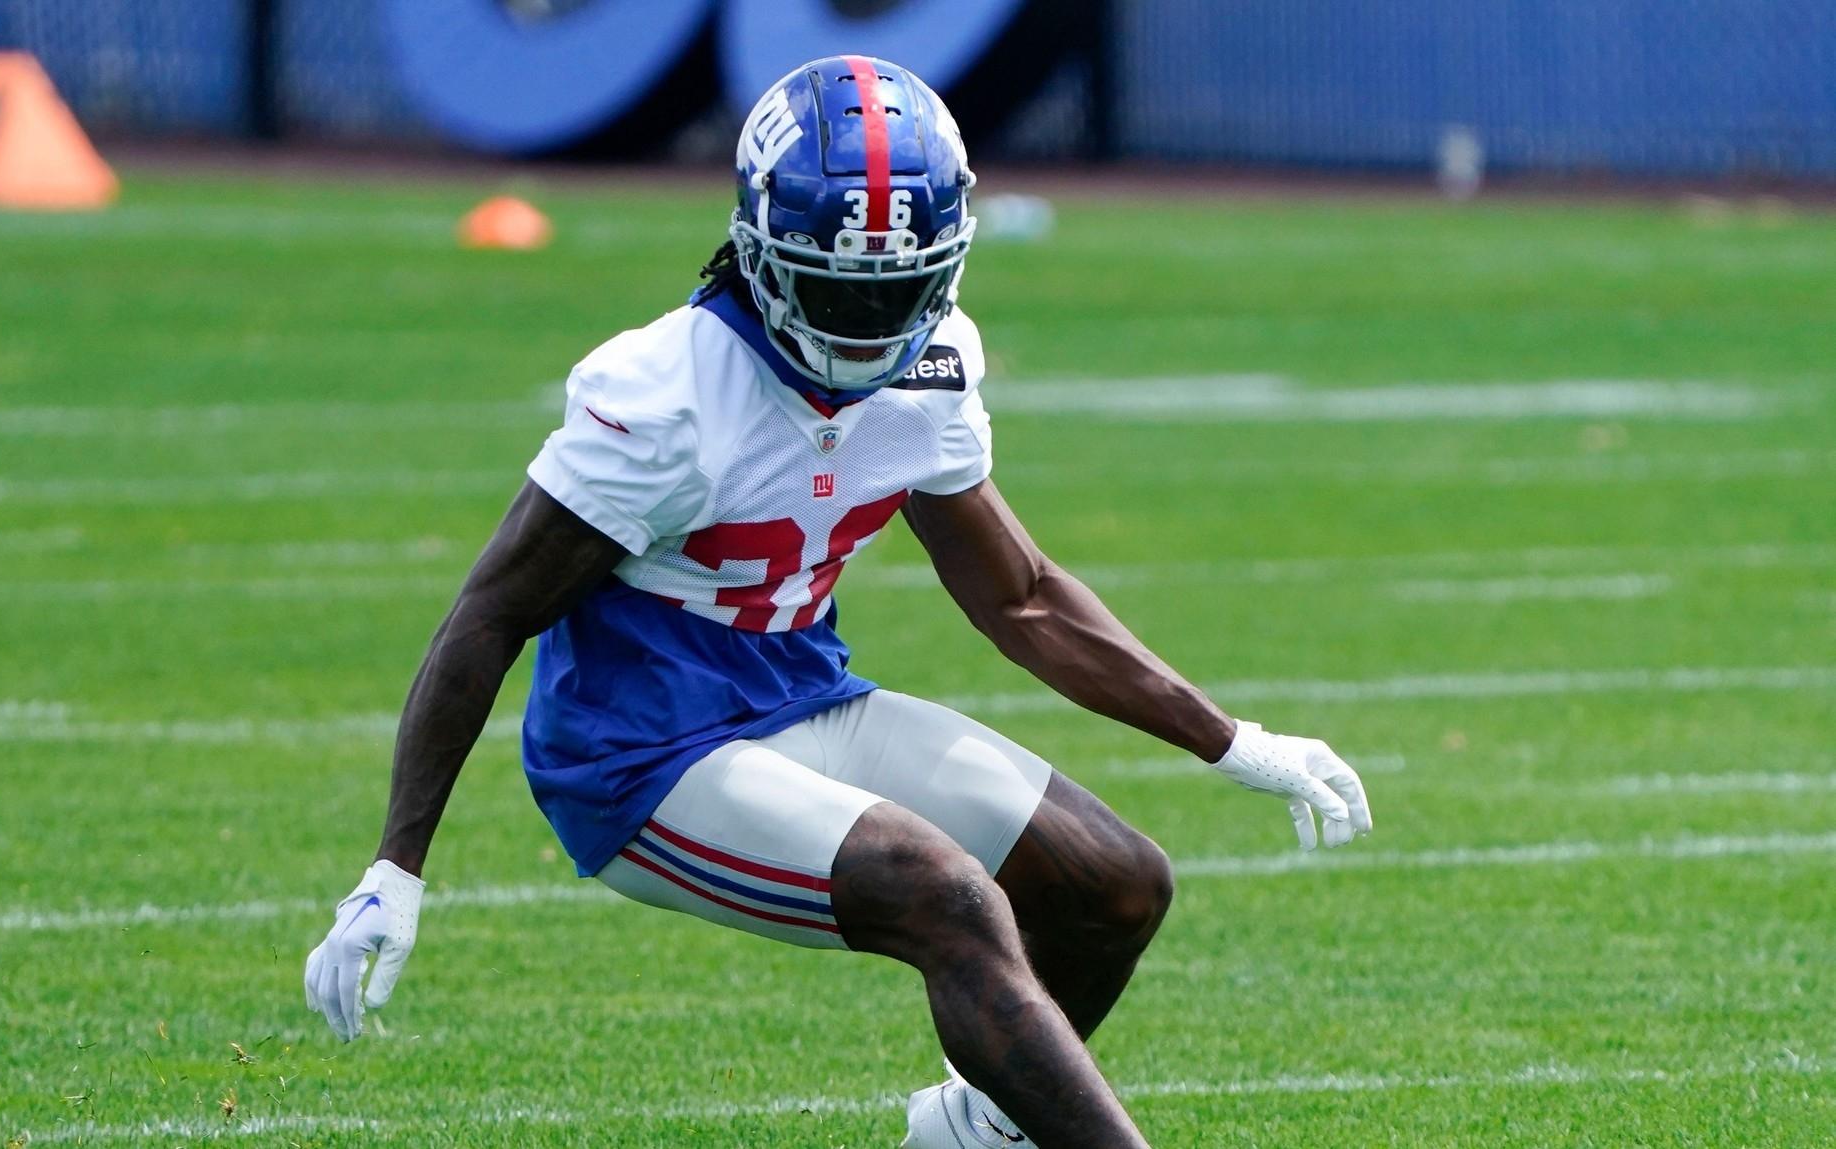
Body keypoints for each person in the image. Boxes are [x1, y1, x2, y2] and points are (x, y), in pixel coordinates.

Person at [305, 55, 1372, 1149]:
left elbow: (1023, 599)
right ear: (760, 251)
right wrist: (396, 865)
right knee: (944, 898)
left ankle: (972, 1129)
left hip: (800, 696)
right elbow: (487, 615)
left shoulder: (930, 368)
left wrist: (1229, 741)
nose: (865, 324)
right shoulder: (667, 394)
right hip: (641, 756)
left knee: (1113, 883)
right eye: (834, 287)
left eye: (893, 290)